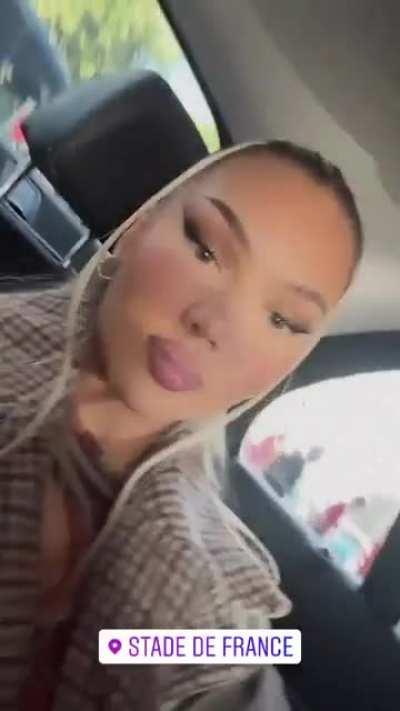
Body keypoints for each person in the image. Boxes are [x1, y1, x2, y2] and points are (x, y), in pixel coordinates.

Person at [0, 140, 363, 709]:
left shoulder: (212, 601)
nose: (213, 324)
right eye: (205, 248)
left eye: (281, 319)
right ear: (139, 226)